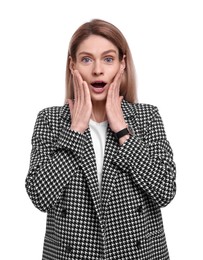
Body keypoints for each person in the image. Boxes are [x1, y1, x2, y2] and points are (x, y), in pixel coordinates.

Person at [25, 19, 176, 260]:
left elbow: (165, 191)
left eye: (108, 59)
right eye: (86, 59)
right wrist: (76, 129)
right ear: (72, 65)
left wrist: (121, 129)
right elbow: (40, 196)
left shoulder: (147, 117)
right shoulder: (50, 120)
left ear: (122, 64)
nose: (97, 70)